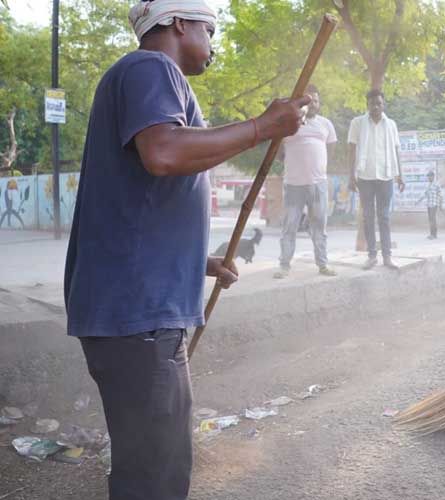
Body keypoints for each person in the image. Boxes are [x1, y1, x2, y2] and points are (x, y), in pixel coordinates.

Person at [64, 1, 309, 498]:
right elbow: (164, 153)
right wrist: (261, 127)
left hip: (137, 311)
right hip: (139, 316)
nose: (213, 44)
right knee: (156, 476)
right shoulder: (150, 68)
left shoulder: (147, 79)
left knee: (149, 465)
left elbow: (140, 204)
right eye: (210, 30)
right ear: (179, 23)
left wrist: (197, 264)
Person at [274, 84, 337, 278]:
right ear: (302, 103)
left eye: (316, 101)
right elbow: (278, 154)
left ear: (319, 104)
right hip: (293, 185)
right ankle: (284, 266)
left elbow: (331, 150)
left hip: (318, 185)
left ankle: (323, 264)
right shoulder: (289, 125)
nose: (313, 104)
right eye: (310, 101)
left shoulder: (326, 124)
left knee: (319, 227)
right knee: (289, 226)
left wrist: (319, 167)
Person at [348, 89, 405, 270]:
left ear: (383, 104)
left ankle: (387, 257)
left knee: (384, 216)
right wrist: (351, 176)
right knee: (368, 216)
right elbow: (351, 150)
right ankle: (372, 256)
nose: (376, 107)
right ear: (367, 105)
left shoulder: (391, 125)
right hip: (365, 176)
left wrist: (400, 174)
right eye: (372, 103)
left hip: (386, 176)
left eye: (379, 103)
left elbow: (396, 150)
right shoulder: (357, 123)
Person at [417, 170, 442, 239]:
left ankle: (434, 234)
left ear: (433, 176)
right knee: (430, 220)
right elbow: (425, 194)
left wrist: (440, 205)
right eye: (428, 176)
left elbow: (440, 195)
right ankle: (432, 234)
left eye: (430, 176)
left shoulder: (436, 184)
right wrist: (419, 200)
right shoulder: (428, 185)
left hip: (434, 204)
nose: (429, 178)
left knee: (433, 219)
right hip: (429, 204)